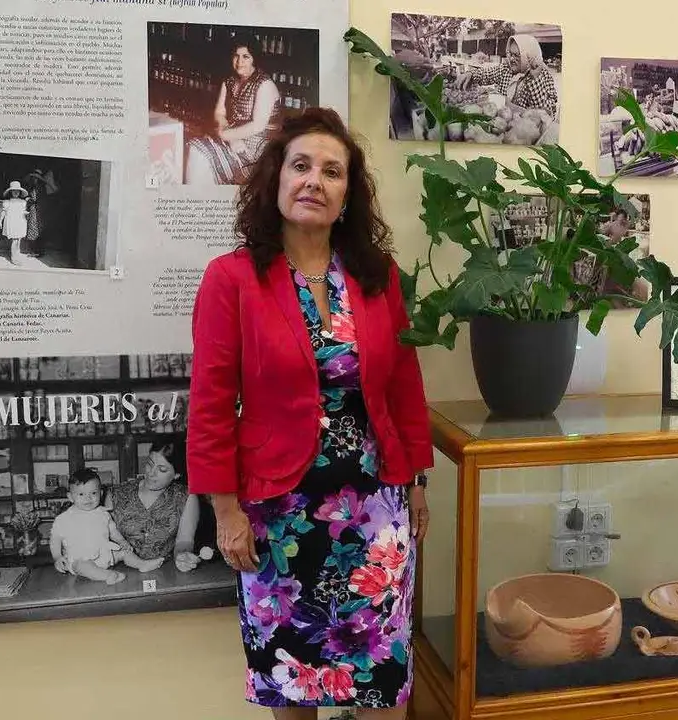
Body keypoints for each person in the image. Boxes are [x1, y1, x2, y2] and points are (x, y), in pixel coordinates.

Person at [187, 107, 432, 719]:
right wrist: (224, 510)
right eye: (301, 166)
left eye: (332, 171)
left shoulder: (378, 280)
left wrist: (417, 483)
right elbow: (211, 404)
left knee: (381, 682)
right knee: (291, 683)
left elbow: (404, 385)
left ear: (348, 193)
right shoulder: (232, 279)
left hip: (376, 514)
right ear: (275, 180)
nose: (314, 181)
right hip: (277, 519)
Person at [186, 37, 282, 185]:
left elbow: (258, 126)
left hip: (258, 149)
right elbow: (219, 113)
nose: (239, 61)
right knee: (196, 147)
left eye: (245, 57)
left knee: (201, 153)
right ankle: (200, 201)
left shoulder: (265, 84)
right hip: (234, 139)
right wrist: (229, 136)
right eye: (236, 56)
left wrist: (225, 134)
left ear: (254, 59)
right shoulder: (229, 82)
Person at [49, 468, 165, 585]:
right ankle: (108, 575)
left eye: (93, 493)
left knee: (125, 553)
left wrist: (122, 542)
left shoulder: (103, 513)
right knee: (83, 566)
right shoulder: (64, 519)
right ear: (70, 497)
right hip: (79, 559)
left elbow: (113, 531)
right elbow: (55, 539)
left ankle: (142, 564)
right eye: (81, 494)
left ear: (101, 493)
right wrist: (58, 557)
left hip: (105, 555)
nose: (88, 498)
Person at [106, 440, 204, 573]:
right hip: (118, 573)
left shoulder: (186, 497)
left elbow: (184, 541)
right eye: (149, 464)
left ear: (177, 474)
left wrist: (183, 556)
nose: (151, 473)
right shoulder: (116, 494)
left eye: (162, 469)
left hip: (164, 572)